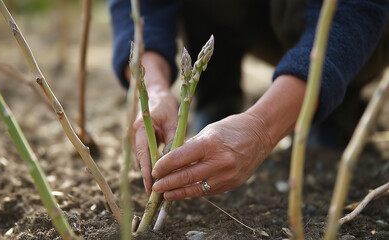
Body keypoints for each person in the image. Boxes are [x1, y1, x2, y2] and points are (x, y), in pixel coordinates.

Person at [109, 0, 389, 201]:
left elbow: (358, 12)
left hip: (335, 25)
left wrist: (262, 127)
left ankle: (332, 105)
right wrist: (152, 90)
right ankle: (216, 95)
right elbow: (135, 6)